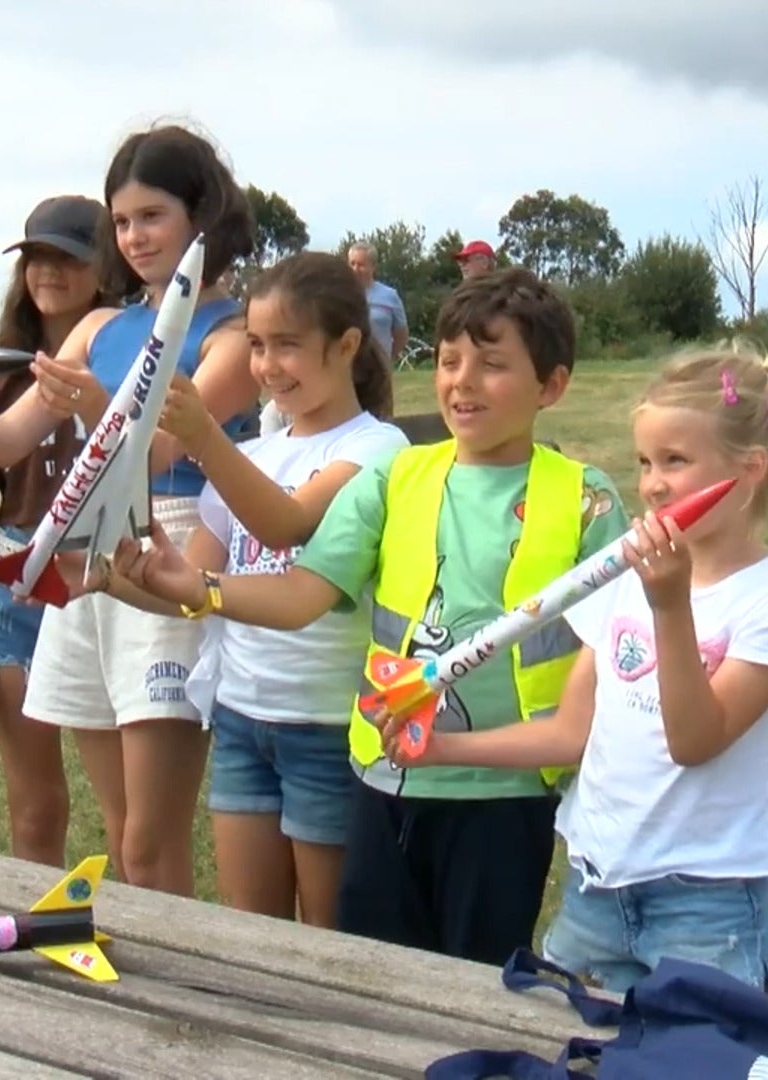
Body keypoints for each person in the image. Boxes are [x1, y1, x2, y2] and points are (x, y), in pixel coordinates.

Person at [111, 267, 629, 965]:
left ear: (552, 386)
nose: (463, 381)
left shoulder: (585, 499)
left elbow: (614, 665)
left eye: (493, 365)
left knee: (475, 984)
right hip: (386, 781)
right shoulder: (399, 477)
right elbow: (301, 594)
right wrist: (202, 588)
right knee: (371, 975)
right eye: (449, 362)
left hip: (504, 798)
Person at [0, 122, 259, 896]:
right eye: (123, 220)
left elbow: (167, 451)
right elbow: (5, 439)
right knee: (116, 824)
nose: (134, 237)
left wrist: (102, 403)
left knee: (147, 840)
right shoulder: (104, 326)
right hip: (83, 564)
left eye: (153, 217)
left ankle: (168, 993)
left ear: (200, 214)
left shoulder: (233, 334)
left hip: (166, 558)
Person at [378, 341, 768, 1001]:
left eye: (676, 462)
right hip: (597, 887)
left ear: (749, 471)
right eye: (645, 462)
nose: (652, 484)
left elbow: (694, 739)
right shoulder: (628, 580)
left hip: (705, 903)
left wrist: (670, 605)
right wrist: (438, 749)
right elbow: (571, 733)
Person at [88, 251, 407, 925]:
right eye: (257, 346)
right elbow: (195, 584)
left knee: (331, 942)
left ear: (347, 345)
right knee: (252, 931)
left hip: (325, 724)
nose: (266, 366)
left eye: (287, 346)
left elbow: (287, 526)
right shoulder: (255, 454)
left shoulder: (378, 450)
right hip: (239, 718)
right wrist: (109, 579)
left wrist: (204, 436)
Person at [0, 195, 112, 864]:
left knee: (128, 811)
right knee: (37, 805)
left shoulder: (128, 368)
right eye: (36, 257)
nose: (48, 272)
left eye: (67, 257)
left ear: (104, 269)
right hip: (12, 602)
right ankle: (32, 932)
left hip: (105, 586)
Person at [346, 242, 409, 364]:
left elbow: (401, 334)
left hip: (378, 368)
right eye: (352, 263)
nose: (355, 269)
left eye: (361, 265)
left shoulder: (389, 296)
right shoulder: (339, 294)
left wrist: (388, 358)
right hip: (346, 368)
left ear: (373, 266)